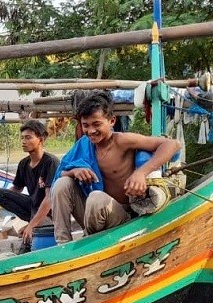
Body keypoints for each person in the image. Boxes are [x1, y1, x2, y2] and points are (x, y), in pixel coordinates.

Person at [51, 91, 181, 243]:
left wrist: (141, 173)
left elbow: (172, 144)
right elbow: (60, 174)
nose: (91, 131)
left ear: (112, 121)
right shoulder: (83, 145)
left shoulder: (122, 141)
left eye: (97, 124)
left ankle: (90, 243)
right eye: (85, 125)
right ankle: (63, 244)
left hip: (123, 217)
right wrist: (74, 171)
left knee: (96, 198)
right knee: (62, 183)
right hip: (91, 217)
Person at [0, 120, 59, 243]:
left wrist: (31, 226)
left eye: (28, 138)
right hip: (33, 206)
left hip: (50, 210)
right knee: (0, 194)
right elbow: (17, 188)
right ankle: (34, 222)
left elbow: (50, 198)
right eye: (22, 138)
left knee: (30, 239)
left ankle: (39, 224)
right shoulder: (23, 163)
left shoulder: (50, 162)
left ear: (40, 139)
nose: (23, 141)